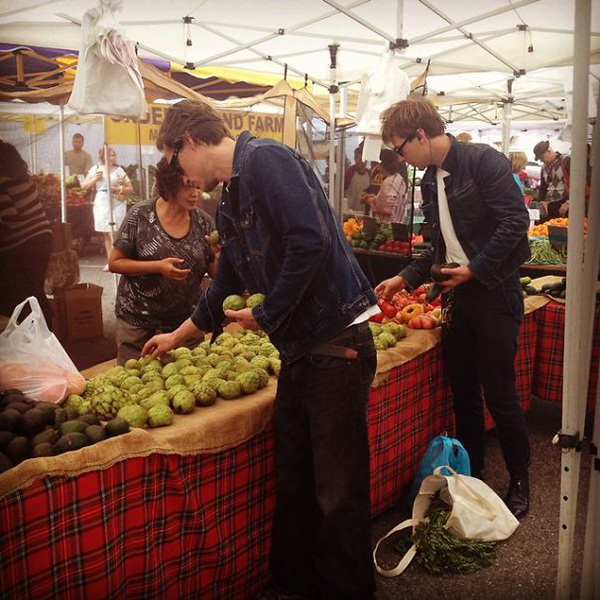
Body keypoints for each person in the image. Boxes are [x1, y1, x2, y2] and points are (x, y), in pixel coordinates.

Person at [141, 99, 379, 600]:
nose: (176, 173)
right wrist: (181, 333)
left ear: (189, 141)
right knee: (295, 476)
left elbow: (309, 242)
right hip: (301, 347)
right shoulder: (231, 198)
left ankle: (348, 589)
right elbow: (226, 276)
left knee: (337, 490)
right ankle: (296, 581)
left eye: (173, 159)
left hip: (335, 341)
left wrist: (267, 313)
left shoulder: (267, 159)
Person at [375, 98, 531, 520]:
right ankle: (472, 476)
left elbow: (517, 223)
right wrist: (405, 277)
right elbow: (436, 245)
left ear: (421, 135)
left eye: (401, 149)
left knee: (499, 395)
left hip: (495, 293)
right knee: (462, 392)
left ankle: (520, 481)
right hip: (457, 298)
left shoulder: (482, 162)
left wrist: (475, 269)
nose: (402, 158)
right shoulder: (429, 180)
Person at [108, 157, 218, 365]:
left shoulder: (204, 222)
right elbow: (115, 262)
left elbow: (215, 274)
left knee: (188, 386)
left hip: (185, 325)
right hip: (137, 322)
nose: (195, 193)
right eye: (188, 186)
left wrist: (218, 255)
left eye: (197, 186)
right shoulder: (140, 216)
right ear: (169, 185)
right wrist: (157, 267)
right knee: (134, 385)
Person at [0, 142, 53, 326]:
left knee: (18, 293)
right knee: (34, 289)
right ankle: (46, 331)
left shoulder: (2, 182)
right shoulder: (23, 179)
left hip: (22, 245)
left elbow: (9, 218)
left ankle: (31, 333)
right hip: (42, 238)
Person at [82, 146, 133, 268]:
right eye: (110, 155)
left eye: (114, 155)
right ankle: (111, 261)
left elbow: (130, 189)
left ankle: (119, 259)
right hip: (102, 201)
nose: (112, 157)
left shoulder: (119, 170)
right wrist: (95, 178)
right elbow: (84, 186)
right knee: (106, 232)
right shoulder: (96, 169)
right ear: (102, 156)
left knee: (115, 232)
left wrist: (117, 189)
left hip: (117, 201)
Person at [365, 148, 408, 223]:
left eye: (379, 163)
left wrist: (370, 202)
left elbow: (388, 209)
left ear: (384, 164)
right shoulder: (400, 179)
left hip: (388, 227)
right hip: (399, 223)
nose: (378, 167)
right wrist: (376, 198)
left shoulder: (388, 182)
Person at [533, 140, 570, 218]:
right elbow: (543, 187)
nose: (541, 161)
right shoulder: (544, 167)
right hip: (550, 205)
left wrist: (568, 203)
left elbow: (577, 185)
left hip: (564, 204)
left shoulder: (566, 160)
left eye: (542, 158)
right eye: (540, 159)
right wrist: (541, 201)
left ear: (549, 151)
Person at [344, 143, 371, 212]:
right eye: (356, 158)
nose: (358, 161)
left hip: (364, 212)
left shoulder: (370, 174)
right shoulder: (349, 172)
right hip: (350, 212)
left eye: (360, 159)